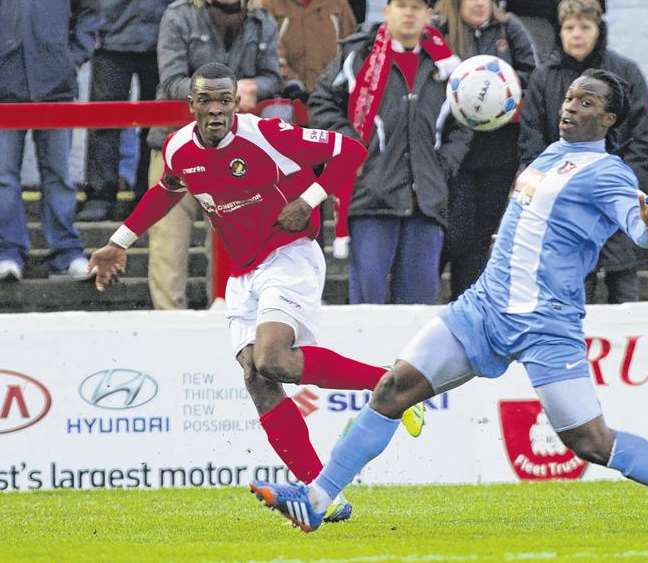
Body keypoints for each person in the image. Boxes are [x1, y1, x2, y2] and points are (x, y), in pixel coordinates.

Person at [247, 69, 648, 532]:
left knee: (591, 444)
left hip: (546, 324)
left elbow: (637, 224)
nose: (570, 107)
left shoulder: (609, 173)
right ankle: (317, 499)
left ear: (607, 119)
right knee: (391, 388)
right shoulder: (552, 155)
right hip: (484, 309)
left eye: (585, 103)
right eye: (570, 97)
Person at [89, 63, 424, 523]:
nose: (216, 110)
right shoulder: (179, 147)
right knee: (256, 376)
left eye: (224, 100)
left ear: (235, 103)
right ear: (192, 106)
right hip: (245, 272)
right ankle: (323, 495)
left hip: (290, 256)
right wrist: (118, 242)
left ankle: (390, 381)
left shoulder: (267, 134)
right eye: (205, 100)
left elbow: (350, 150)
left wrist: (308, 201)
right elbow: (168, 190)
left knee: (272, 358)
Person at [309, 0, 473, 304]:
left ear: (429, 15)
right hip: (372, 196)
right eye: (401, 5)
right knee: (367, 307)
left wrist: (444, 163)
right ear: (387, 11)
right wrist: (350, 145)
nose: (408, 13)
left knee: (418, 308)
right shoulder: (357, 55)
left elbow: (464, 123)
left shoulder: (447, 65)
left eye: (416, 7)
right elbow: (321, 102)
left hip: (425, 200)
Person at [520, 0, 648, 304]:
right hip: (566, 204)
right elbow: (531, 142)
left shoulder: (625, 72)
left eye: (585, 26)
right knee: (571, 295)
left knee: (624, 290)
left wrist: (621, 183)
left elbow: (646, 135)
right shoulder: (544, 77)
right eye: (569, 27)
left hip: (619, 199)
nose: (577, 34)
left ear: (599, 29)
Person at [146, 0, 282, 310]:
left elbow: (274, 77)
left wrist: (255, 87)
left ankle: (232, 319)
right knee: (169, 245)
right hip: (175, 145)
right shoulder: (179, 15)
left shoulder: (262, 20)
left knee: (237, 242)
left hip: (236, 150)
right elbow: (170, 83)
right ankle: (169, 326)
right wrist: (225, 92)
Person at [434, 0, 535, 300]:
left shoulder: (510, 27)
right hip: (453, 151)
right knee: (455, 234)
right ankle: (424, 305)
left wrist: (502, 91)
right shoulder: (440, 31)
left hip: (499, 151)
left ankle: (467, 309)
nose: (480, 3)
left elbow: (532, 76)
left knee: (481, 237)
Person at [0, 0, 99, 282]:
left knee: (58, 174)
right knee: (3, 177)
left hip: (55, 84)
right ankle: (8, 252)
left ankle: (66, 252)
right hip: (5, 85)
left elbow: (90, 11)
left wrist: (72, 57)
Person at [77, 0, 172, 222]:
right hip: (110, 37)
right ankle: (101, 195)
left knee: (157, 125)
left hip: (163, 36)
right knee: (104, 120)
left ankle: (148, 193)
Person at [262, 0, 358, 100]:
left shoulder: (339, 4)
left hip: (330, 98)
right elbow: (268, 55)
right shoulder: (269, 4)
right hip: (284, 97)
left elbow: (351, 52)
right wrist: (291, 82)